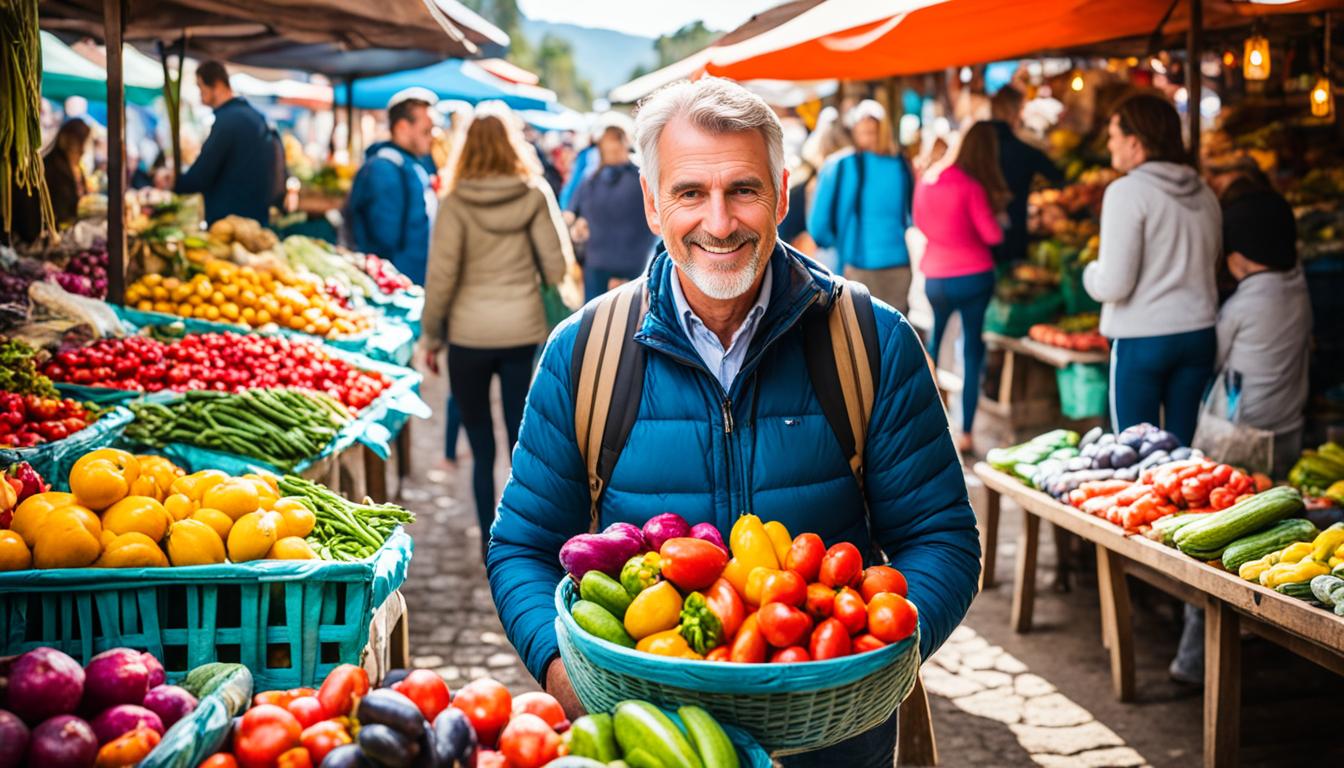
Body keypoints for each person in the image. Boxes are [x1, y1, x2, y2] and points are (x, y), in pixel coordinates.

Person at [486, 78, 980, 766]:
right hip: (652, 746)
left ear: (782, 194)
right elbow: (523, 547)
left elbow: (941, 537)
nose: (719, 222)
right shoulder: (584, 352)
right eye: (690, 193)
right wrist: (570, 679)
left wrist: (870, 657)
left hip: (833, 744)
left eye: (743, 190)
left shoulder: (871, 341)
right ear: (653, 205)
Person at [420, 106, 570, 562]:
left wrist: (431, 336)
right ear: (513, 143)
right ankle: (524, 536)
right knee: (520, 438)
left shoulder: (455, 198)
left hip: (468, 336)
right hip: (521, 334)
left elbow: (441, 275)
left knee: (480, 444)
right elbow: (557, 265)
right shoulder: (534, 193)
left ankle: (490, 539)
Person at [1083, 93, 1220, 445]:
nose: (1110, 144)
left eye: (1113, 135)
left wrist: (1089, 274)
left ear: (1134, 142)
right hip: (1200, 335)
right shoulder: (1204, 192)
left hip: (1143, 340)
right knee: (1181, 463)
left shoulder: (1127, 191)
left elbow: (1114, 284)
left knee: (1135, 457)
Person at [913, 122, 1009, 454]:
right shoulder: (971, 186)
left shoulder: (928, 179)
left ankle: (926, 425)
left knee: (935, 346)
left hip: (935, 278)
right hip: (973, 277)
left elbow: (919, 222)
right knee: (971, 351)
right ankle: (965, 432)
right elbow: (992, 236)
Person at [808, 99, 916, 314]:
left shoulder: (839, 165)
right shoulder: (901, 165)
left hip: (857, 266)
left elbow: (817, 227)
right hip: (900, 265)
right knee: (894, 340)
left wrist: (836, 245)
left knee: (861, 341)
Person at [345, 88, 439, 286]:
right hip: (393, 289)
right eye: (426, 130)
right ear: (403, 127)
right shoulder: (384, 169)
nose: (432, 137)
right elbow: (384, 239)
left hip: (410, 284)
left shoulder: (410, 165)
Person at [174, 60, 274, 225]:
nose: (200, 94)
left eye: (201, 87)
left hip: (231, 221)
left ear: (218, 85)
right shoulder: (254, 116)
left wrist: (178, 184)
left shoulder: (227, 121)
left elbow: (202, 174)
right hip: (255, 217)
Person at [567, 112, 654, 300]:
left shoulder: (641, 175)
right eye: (609, 142)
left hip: (626, 264)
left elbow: (572, 213)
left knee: (606, 318)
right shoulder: (592, 179)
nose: (613, 147)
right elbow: (573, 214)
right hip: (618, 264)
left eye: (615, 141)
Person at [987, 86, 1064, 267]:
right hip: (1014, 230)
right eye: (1022, 109)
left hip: (984, 234)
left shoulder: (981, 147)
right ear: (1015, 112)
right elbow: (1057, 175)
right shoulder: (1022, 148)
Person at [45, 118, 93, 229]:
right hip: (57, 232)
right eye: (78, 143)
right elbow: (61, 209)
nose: (82, 150)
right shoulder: (52, 168)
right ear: (65, 140)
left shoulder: (76, 167)